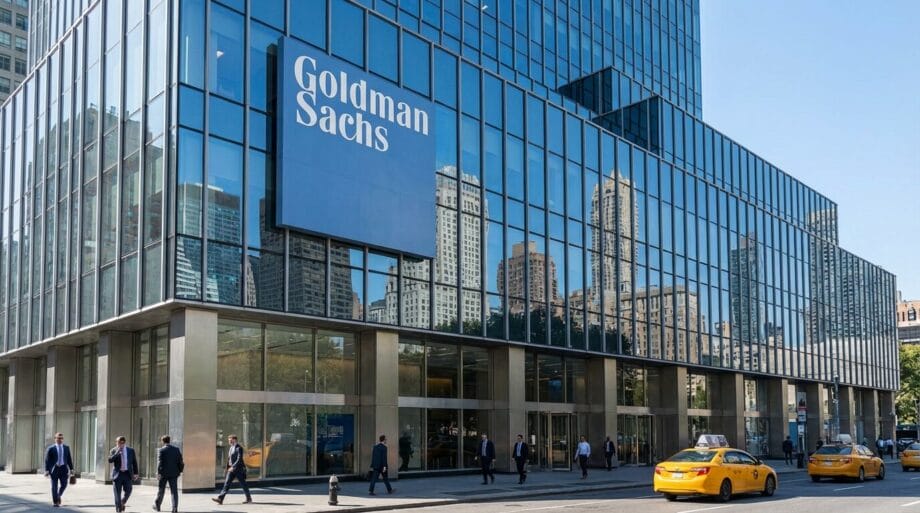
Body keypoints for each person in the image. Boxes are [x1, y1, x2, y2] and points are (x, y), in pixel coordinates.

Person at [212, 434, 252, 505]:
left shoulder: (239, 448)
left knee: (243, 484)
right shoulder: (231, 448)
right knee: (226, 484)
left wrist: (233, 466)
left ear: (234, 440)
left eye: (230, 440)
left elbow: (239, 459)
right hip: (231, 469)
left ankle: (248, 498)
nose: (229, 441)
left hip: (238, 469)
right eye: (229, 440)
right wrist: (227, 468)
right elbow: (229, 459)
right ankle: (220, 499)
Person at [154, 435, 184, 513]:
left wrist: (158, 473)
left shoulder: (161, 450)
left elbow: (160, 463)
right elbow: (180, 461)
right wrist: (180, 470)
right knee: (174, 491)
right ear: (169, 441)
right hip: (174, 473)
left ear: (162, 441)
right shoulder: (176, 450)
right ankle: (175, 508)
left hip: (163, 473)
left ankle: (158, 506)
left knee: (161, 490)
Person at [108, 436, 138, 513]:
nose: (120, 444)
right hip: (117, 474)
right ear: (116, 443)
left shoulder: (130, 450)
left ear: (124, 443)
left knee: (129, 490)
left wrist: (136, 473)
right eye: (119, 443)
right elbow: (110, 460)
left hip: (127, 474)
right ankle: (119, 510)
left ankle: (122, 502)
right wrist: (117, 453)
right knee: (117, 493)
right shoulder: (113, 450)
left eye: (122, 443)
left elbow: (134, 462)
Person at [44, 432, 74, 508]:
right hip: (54, 469)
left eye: (61, 438)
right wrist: (47, 470)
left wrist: (71, 469)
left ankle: (58, 495)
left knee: (64, 484)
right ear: (55, 439)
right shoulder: (51, 448)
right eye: (58, 438)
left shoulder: (66, 448)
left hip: (64, 468)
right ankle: (55, 502)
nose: (60, 439)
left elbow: (69, 459)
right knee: (54, 486)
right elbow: (47, 460)